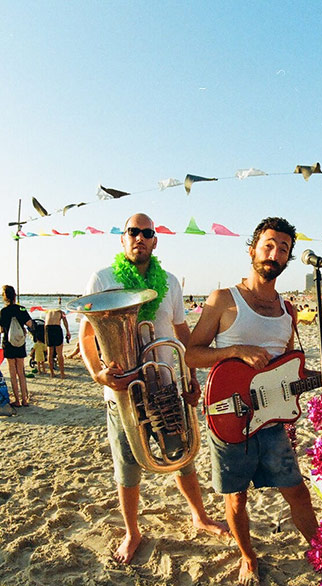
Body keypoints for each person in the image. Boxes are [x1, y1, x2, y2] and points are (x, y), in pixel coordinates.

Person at [186, 217, 322, 586]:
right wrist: (235, 350)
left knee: (296, 491)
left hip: (272, 421)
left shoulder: (288, 311)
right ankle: (248, 557)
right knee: (236, 499)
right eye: (268, 245)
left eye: (283, 248)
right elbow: (192, 355)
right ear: (252, 249)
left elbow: (292, 367)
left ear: (289, 258)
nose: (274, 253)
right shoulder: (223, 300)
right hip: (228, 416)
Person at [79, 212, 228, 565]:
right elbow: (86, 335)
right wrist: (98, 373)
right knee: (127, 466)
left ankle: (199, 516)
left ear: (155, 241)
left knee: (182, 457)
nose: (140, 238)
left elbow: (181, 331)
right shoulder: (103, 278)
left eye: (147, 233)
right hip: (123, 391)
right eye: (133, 232)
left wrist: (192, 375)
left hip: (165, 384)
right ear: (122, 237)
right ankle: (133, 532)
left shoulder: (171, 282)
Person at [0, 285, 33, 407]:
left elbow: (1, 330)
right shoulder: (21, 309)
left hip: (8, 343)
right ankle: (25, 399)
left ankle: (17, 400)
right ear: (14, 295)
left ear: (4, 297)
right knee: (21, 371)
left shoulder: (2, 312)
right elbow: (30, 323)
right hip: (20, 342)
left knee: (12, 372)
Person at [44, 307, 70, 378]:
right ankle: (62, 374)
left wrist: (45, 337)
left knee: (50, 353)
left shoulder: (48, 313)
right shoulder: (61, 313)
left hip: (48, 329)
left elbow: (45, 324)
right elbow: (65, 321)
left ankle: (51, 373)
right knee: (59, 353)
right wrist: (68, 331)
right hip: (56, 329)